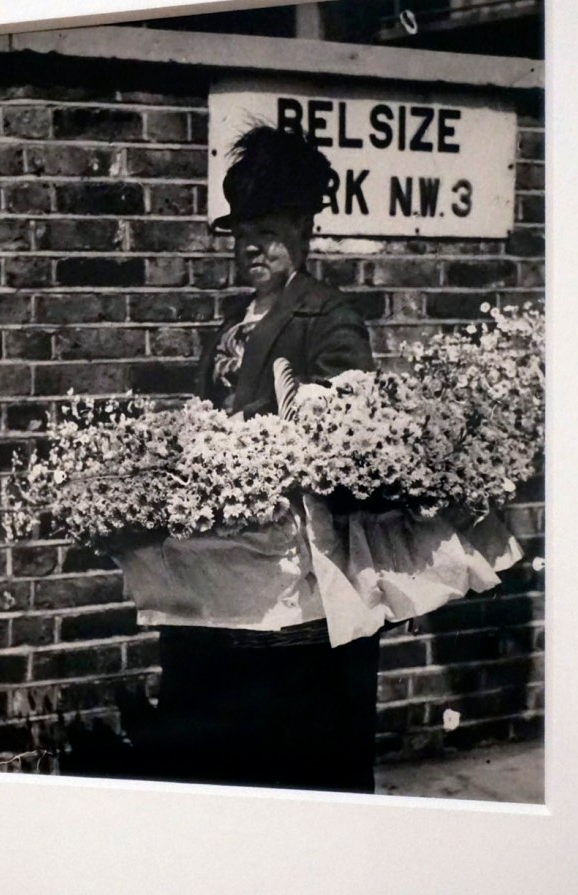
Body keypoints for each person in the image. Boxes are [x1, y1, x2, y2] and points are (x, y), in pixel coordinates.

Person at [149, 125, 382, 793]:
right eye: (242, 230)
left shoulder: (329, 320)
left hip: (295, 603)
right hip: (218, 585)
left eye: (271, 228)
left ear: (305, 229)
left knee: (297, 765)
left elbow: (347, 447)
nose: (252, 244)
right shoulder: (230, 322)